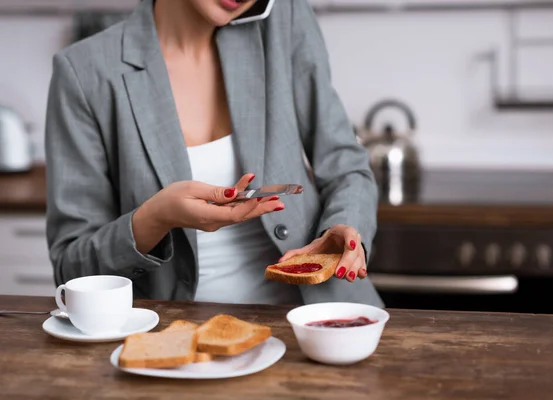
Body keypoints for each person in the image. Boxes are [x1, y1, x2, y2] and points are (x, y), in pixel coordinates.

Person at [44, 0, 384, 307]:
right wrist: (155, 218)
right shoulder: (83, 72)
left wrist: (344, 225)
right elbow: (71, 267)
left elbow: (346, 165)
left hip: (319, 322)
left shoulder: (286, 21)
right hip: (177, 342)